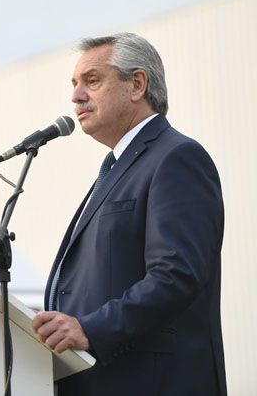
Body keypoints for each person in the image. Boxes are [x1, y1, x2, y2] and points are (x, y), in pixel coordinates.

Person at [32, 33, 226, 396]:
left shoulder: (176, 158)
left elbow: (176, 274)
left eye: (92, 80)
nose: (76, 96)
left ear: (137, 84)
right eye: (74, 84)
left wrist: (91, 329)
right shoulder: (117, 168)